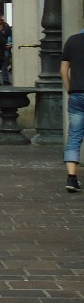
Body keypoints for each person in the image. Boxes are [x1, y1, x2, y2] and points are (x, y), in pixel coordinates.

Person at [61, 26, 84, 193]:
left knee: (75, 136)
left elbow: (63, 71)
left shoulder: (72, 41)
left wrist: (70, 89)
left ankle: (72, 178)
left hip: (77, 94)